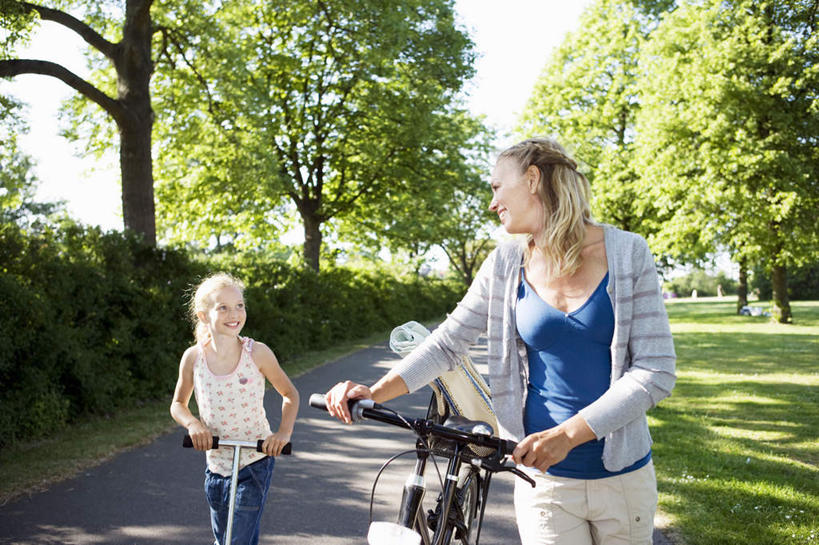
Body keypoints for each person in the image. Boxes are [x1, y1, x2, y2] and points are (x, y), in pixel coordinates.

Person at [324, 137, 676, 545]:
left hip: (621, 479)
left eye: (496, 187)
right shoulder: (506, 263)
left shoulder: (628, 253)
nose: (492, 204)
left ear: (531, 179)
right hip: (540, 482)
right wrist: (376, 391)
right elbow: (446, 344)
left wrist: (567, 436)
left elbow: (655, 370)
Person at [171, 272, 299, 545]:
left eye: (239, 305)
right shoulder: (193, 358)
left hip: (255, 460)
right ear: (204, 315)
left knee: (235, 540)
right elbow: (178, 404)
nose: (235, 313)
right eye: (224, 307)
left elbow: (290, 394)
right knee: (226, 537)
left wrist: (282, 434)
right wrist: (193, 424)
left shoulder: (257, 353)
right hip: (216, 464)